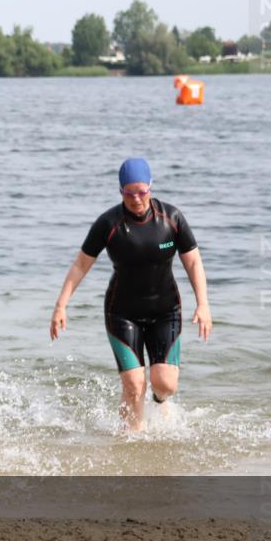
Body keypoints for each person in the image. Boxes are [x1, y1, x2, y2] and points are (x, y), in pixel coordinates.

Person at [50, 158, 212, 432]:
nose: (136, 198)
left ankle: (160, 402)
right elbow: (80, 264)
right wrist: (60, 306)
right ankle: (132, 444)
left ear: (150, 187)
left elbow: (194, 262)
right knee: (134, 385)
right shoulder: (109, 223)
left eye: (141, 191)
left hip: (165, 310)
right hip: (122, 313)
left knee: (165, 384)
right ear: (120, 191)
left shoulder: (171, 218)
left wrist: (203, 304)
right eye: (129, 192)